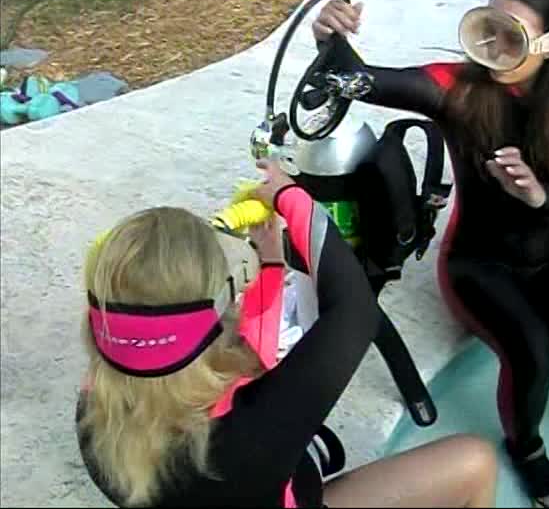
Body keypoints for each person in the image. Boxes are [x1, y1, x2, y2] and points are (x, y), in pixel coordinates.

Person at [311, 0, 549, 507]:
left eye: (511, 36)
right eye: (487, 26)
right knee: (532, 353)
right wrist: (331, 37)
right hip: (477, 260)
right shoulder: (457, 87)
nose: (491, 45)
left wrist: (541, 195)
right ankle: (527, 451)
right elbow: (355, 79)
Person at [75, 160, 497, 508]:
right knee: (474, 462)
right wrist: (290, 197)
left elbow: (237, 360)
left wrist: (272, 264)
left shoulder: (94, 413)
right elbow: (354, 310)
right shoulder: (258, 428)